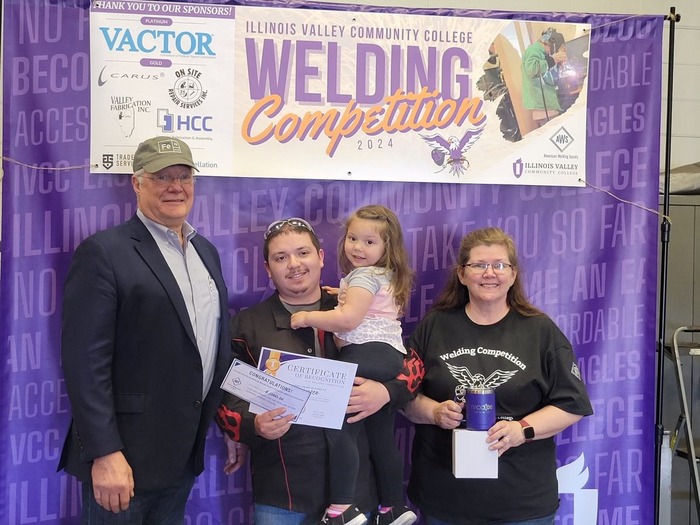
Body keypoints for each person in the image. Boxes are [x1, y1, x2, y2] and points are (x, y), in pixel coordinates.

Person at [58, 136, 231, 523]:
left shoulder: (206, 252)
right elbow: (85, 364)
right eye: (161, 176)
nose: (175, 187)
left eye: (184, 176)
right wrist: (105, 452)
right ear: (137, 183)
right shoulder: (104, 252)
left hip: (182, 456)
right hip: (124, 461)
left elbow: (212, 349)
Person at [215, 217, 423, 525]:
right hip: (283, 497)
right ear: (267, 268)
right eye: (280, 258)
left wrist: (385, 392)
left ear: (321, 257)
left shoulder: (356, 304)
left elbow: (411, 365)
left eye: (303, 253)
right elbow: (223, 394)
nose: (294, 264)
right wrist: (253, 424)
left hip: (358, 498)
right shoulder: (247, 325)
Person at [402, 227, 593, 525]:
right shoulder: (434, 326)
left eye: (500, 265)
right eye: (479, 265)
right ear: (462, 274)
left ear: (513, 274)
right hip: (444, 498)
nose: (489, 273)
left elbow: (572, 404)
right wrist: (434, 412)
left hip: (522, 504)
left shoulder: (540, 331)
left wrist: (522, 429)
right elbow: (403, 396)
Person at [290, 205, 417, 525]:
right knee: (381, 438)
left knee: (341, 428)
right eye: (353, 238)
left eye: (369, 242)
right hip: (389, 358)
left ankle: (342, 508)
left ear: (387, 246)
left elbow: (348, 319)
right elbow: (366, 303)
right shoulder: (383, 275)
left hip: (364, 354)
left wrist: (307, 317)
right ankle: (393, 506)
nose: (358, 247)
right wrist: (342, 293)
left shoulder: (363, 276)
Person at [521, 28, 568, 127]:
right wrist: (554, 59)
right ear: (553, 45)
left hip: (550, 106)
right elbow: (532, 70)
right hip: (543, 110)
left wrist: (558, 64)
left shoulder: (543, 55)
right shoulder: (532, 50)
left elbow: (548, 76)